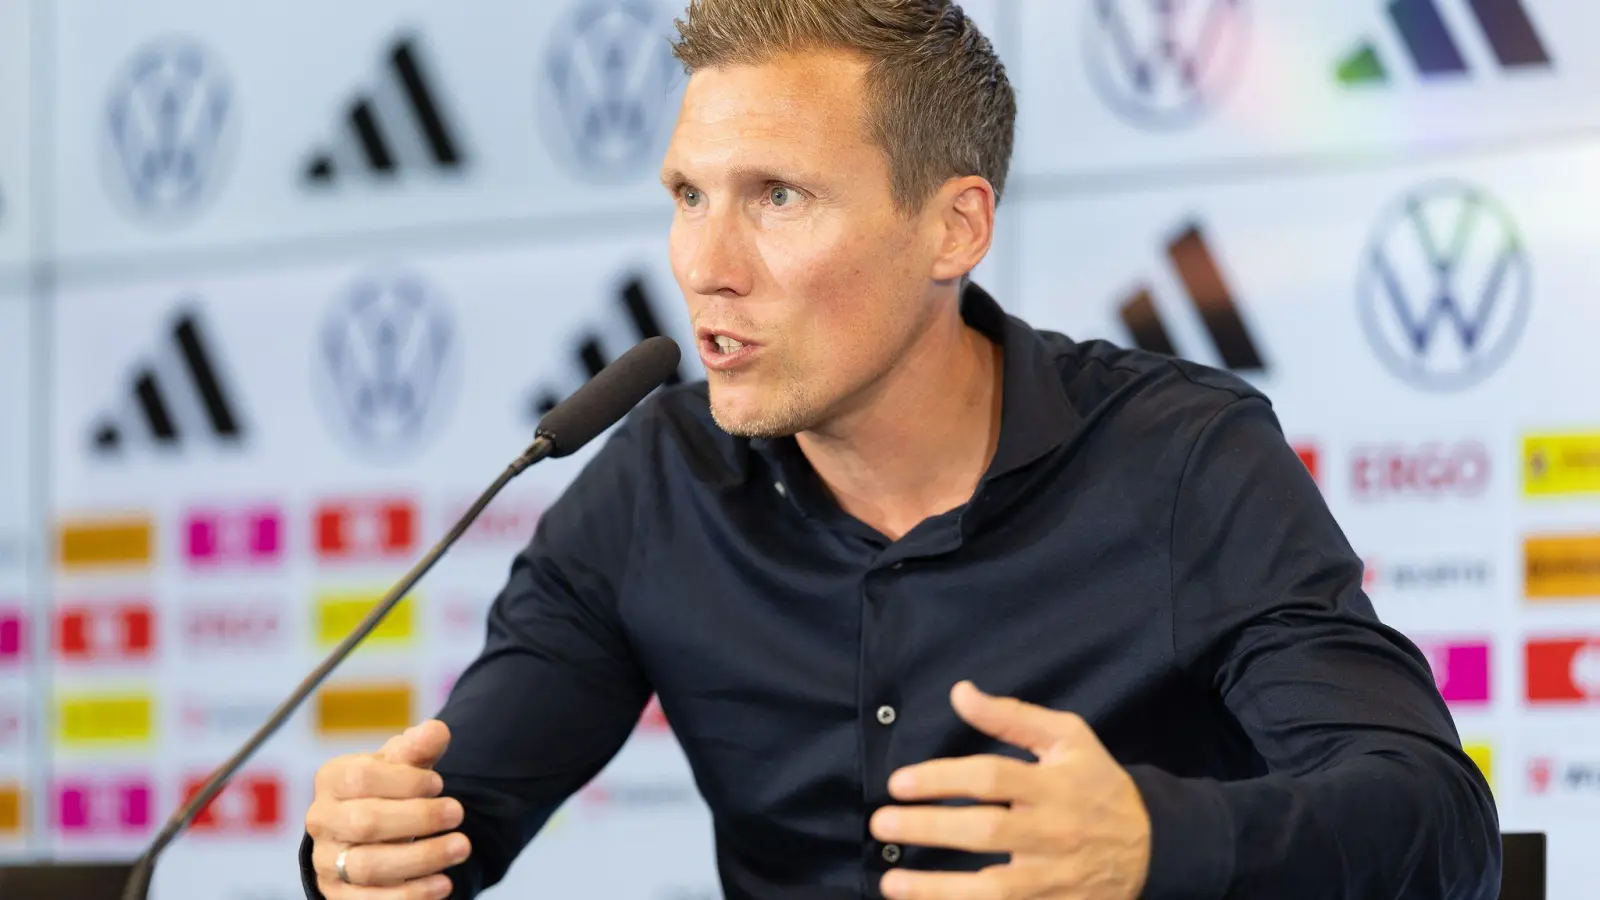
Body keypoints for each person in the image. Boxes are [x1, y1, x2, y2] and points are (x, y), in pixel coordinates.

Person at [298, 1, 1502, 898]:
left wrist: (1152, 844)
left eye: (777, 197)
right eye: (685, 193)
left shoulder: (1179, 460)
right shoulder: (652, 486)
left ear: (953, 226)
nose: (704, 264)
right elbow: (454, 819)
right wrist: (359, 849)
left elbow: (1441, 824)